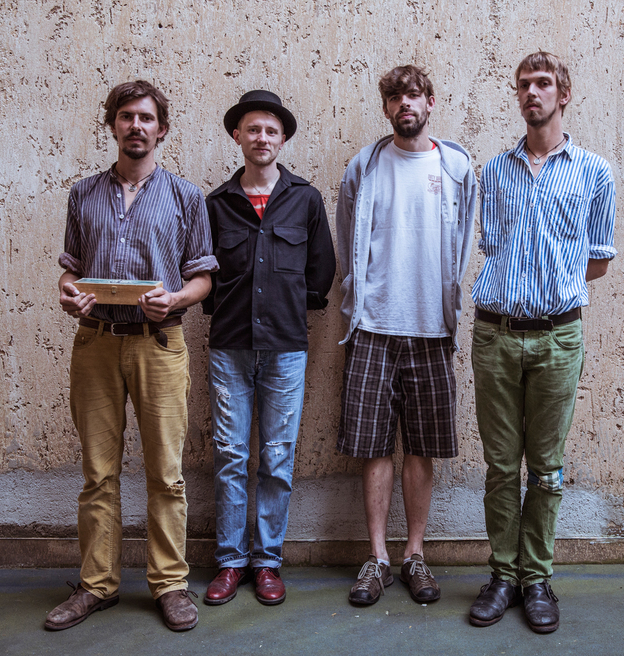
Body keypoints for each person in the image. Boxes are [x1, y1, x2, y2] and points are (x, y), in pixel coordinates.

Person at [46, 80, 218, 632]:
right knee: (98, 473)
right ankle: (97, 584)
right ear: (113, 125)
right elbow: (71, 269)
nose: (135, 126)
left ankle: (169, 584)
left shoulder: (187, 197)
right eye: (126, 116)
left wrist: (176, 299)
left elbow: (203, 277)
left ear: (161, 129)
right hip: (95, 342)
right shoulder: (83, 194)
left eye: (146, 118)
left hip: (159, 344)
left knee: (166, 474)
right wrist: (69, 292)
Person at [468, 51, 617, 633]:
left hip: (558, 337)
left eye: (543, 83)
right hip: (496, 334)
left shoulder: (594, 172)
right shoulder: (493, 172)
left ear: (564, 93)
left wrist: (552, 285)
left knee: (546, 469)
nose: (532, 92)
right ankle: (503, 575)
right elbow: (493, 249)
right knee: (501, 466)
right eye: (524, 85)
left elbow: (597, 260)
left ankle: (537, 578)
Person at [335, 65, 476, 606]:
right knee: (373, 446)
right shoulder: (365, 166)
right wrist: (358, 299)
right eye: (394, 97)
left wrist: (451, 307)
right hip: (372, 326)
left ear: (430, 102)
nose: (404, 104)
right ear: (386, 108)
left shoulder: (456, 168)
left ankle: (415, 554)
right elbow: (347, 240)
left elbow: (465, 242)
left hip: (433, 329)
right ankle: (377, 557)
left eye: (413, 95)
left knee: (422, 447)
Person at [202, 90, 335, 607]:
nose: (262, 138)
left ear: (282, 140)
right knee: (230, 456)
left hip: (285, 347)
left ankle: (267, 562)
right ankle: (231, 561)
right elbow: (203, 273)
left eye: (271, 131)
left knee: (277, 457)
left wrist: (289, 306)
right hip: (229, 346)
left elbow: (321, 270)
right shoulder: (217, 204)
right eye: (253, 129)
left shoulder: (305, 199)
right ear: (237, 136)